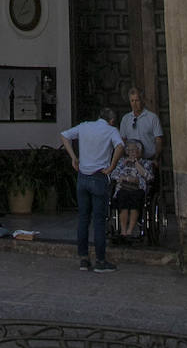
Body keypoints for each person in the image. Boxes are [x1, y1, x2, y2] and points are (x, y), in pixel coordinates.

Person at [60, 106, 123, 272]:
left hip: (82, 177)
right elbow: (120, 146)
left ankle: (83, 258)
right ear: (111, 120)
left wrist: (74, 158)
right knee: (99, 220)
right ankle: (100, 261)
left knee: (83, 218)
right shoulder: (111, 130)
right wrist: (111, 166)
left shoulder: (85, 126)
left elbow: (64, 135)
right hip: (98, 177)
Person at [111, 138, 154, 243]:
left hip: (138, 189)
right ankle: (123, 232)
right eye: (129, 151)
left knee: (135, 201)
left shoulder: (146, 163)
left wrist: (136, 164)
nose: (131, 153)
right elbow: (113, 175)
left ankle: (130, 231)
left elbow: (149, 177)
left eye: (133, 150)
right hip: (123, 188)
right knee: (123, 200)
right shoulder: (122, 162)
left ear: (139, 151)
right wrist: (126, 177)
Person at [118, 87, 163, 164]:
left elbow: (158, 140)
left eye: (137, 100)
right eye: (132, 101)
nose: (134, 104)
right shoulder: (125, 119)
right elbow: (123, 140)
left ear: (142, 101)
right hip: (130, 161)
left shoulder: (152, 117)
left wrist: (156, 157)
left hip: (149, 160)